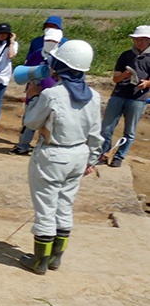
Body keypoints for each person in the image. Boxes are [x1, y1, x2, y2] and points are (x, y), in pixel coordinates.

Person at [19, 40, 102, 275]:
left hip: (53, 155)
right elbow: (96, 134)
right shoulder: (94, 96)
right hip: (79, 154)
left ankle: (39, 262)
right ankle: (55, 259)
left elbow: (32, 122)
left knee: (46, 208)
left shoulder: (52, 94)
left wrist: (33, 98)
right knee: (64, 207)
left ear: (61, 65)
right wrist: (92, 161)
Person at [98, 25, 150, 167]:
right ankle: (103, 154)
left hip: (138, 99)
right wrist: (124, 75)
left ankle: (119, 157)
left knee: (130, 131)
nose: (138, 42)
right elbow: (115, 79)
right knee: (107, 127)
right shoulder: (125, 55)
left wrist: (146, 83)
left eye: (141, 40)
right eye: (136, 40)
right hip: (119, 94)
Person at [10, 28, 63, 155]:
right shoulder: (36, 54)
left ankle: (41, 147)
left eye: (53, 41)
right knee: (29, 121)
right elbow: (25, 72)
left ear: (59, 43)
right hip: (34, 94)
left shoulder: (62, 58)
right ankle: (22, 146)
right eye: (48, 40)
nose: (50, 42)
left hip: (53, 96)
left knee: (47, 123)